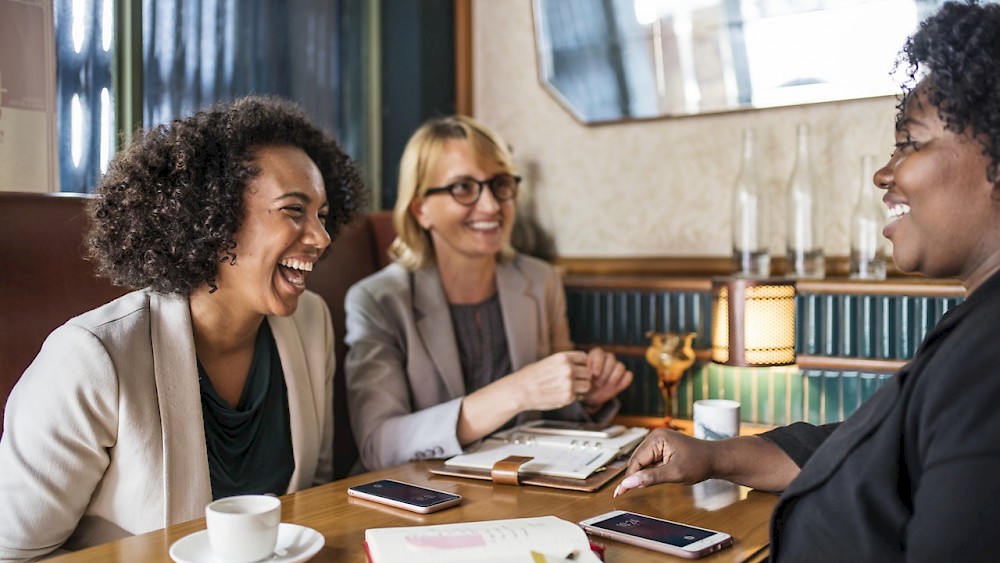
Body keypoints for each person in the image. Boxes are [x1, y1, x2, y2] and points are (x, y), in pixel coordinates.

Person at [615, 2, 1000, 560]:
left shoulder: (988, 362)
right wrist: (711, 456)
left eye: (910, 143)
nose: (883, 173)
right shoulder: (976, 330)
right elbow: (874, 449)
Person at [0, 96, 366, 559]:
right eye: (295, 210)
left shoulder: (311, 324)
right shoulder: (90, 358)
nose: (321, 237)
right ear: (213, 218)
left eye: (323, 216)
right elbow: (14, 553)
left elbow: (311, 494)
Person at [344, 115, 633, 471]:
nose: (492, 206)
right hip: (421, 499)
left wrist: (586, 397)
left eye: (499, 184)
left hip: (523, 488)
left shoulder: (541, 281)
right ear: (421, 210)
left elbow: (553, 416)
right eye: (463, 187)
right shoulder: (377, 300)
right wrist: (518, 391)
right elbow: (378, 446)